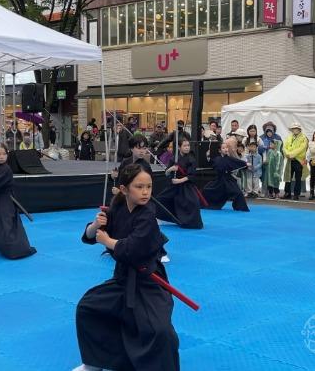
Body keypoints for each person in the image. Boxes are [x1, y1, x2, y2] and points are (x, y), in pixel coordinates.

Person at [74, 164, 179, 371]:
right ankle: (96, 362)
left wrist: (107, 241)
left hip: (148, 280)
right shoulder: (118, 208)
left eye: (149, 186)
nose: (146, 192)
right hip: (123, 278)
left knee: (161, 331)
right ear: (124, 189)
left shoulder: (148, 214)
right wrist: (96, 226)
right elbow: (88, 236)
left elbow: (133, 248)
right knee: (88, 308)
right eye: (139, 187)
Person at [156, 139, 204, 229]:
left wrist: (179, 180)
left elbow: (191, 176)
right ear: (179, 147)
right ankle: (171, 218)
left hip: (186, 185)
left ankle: (191, 222)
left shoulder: (191, 159)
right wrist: (171, 169)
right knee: (160, 200)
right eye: (185, 146)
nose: (187, 148)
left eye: (188, 146)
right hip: (174, 186)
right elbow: (166, 173)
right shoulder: (174, 159)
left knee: (194, 203)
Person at [203, 138, 250, 211]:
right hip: (219, 180)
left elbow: (237, 162)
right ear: (219, 150)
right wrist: (208, 156)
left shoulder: (230, 159)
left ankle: (240, 207)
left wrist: (245, 164)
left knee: (238, 193)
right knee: (207, 190)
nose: (226, 149)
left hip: (228, 180)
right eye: (223, 148)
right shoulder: (216, 159)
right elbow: (210, 163)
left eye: (227, 148)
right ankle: (207, 204)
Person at [282, 122, 308, 200]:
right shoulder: (289, 137)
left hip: (298, 160)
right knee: (288, 176)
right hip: (290, 159)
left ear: (299, 129)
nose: (294, 130)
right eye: (293, 128)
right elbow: (284, 147)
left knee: (298, 178)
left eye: (296, 128)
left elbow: (301, 149)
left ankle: (296, 194)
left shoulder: (304, 138)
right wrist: (287, 154)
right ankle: (287, 193)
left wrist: (291, 155)